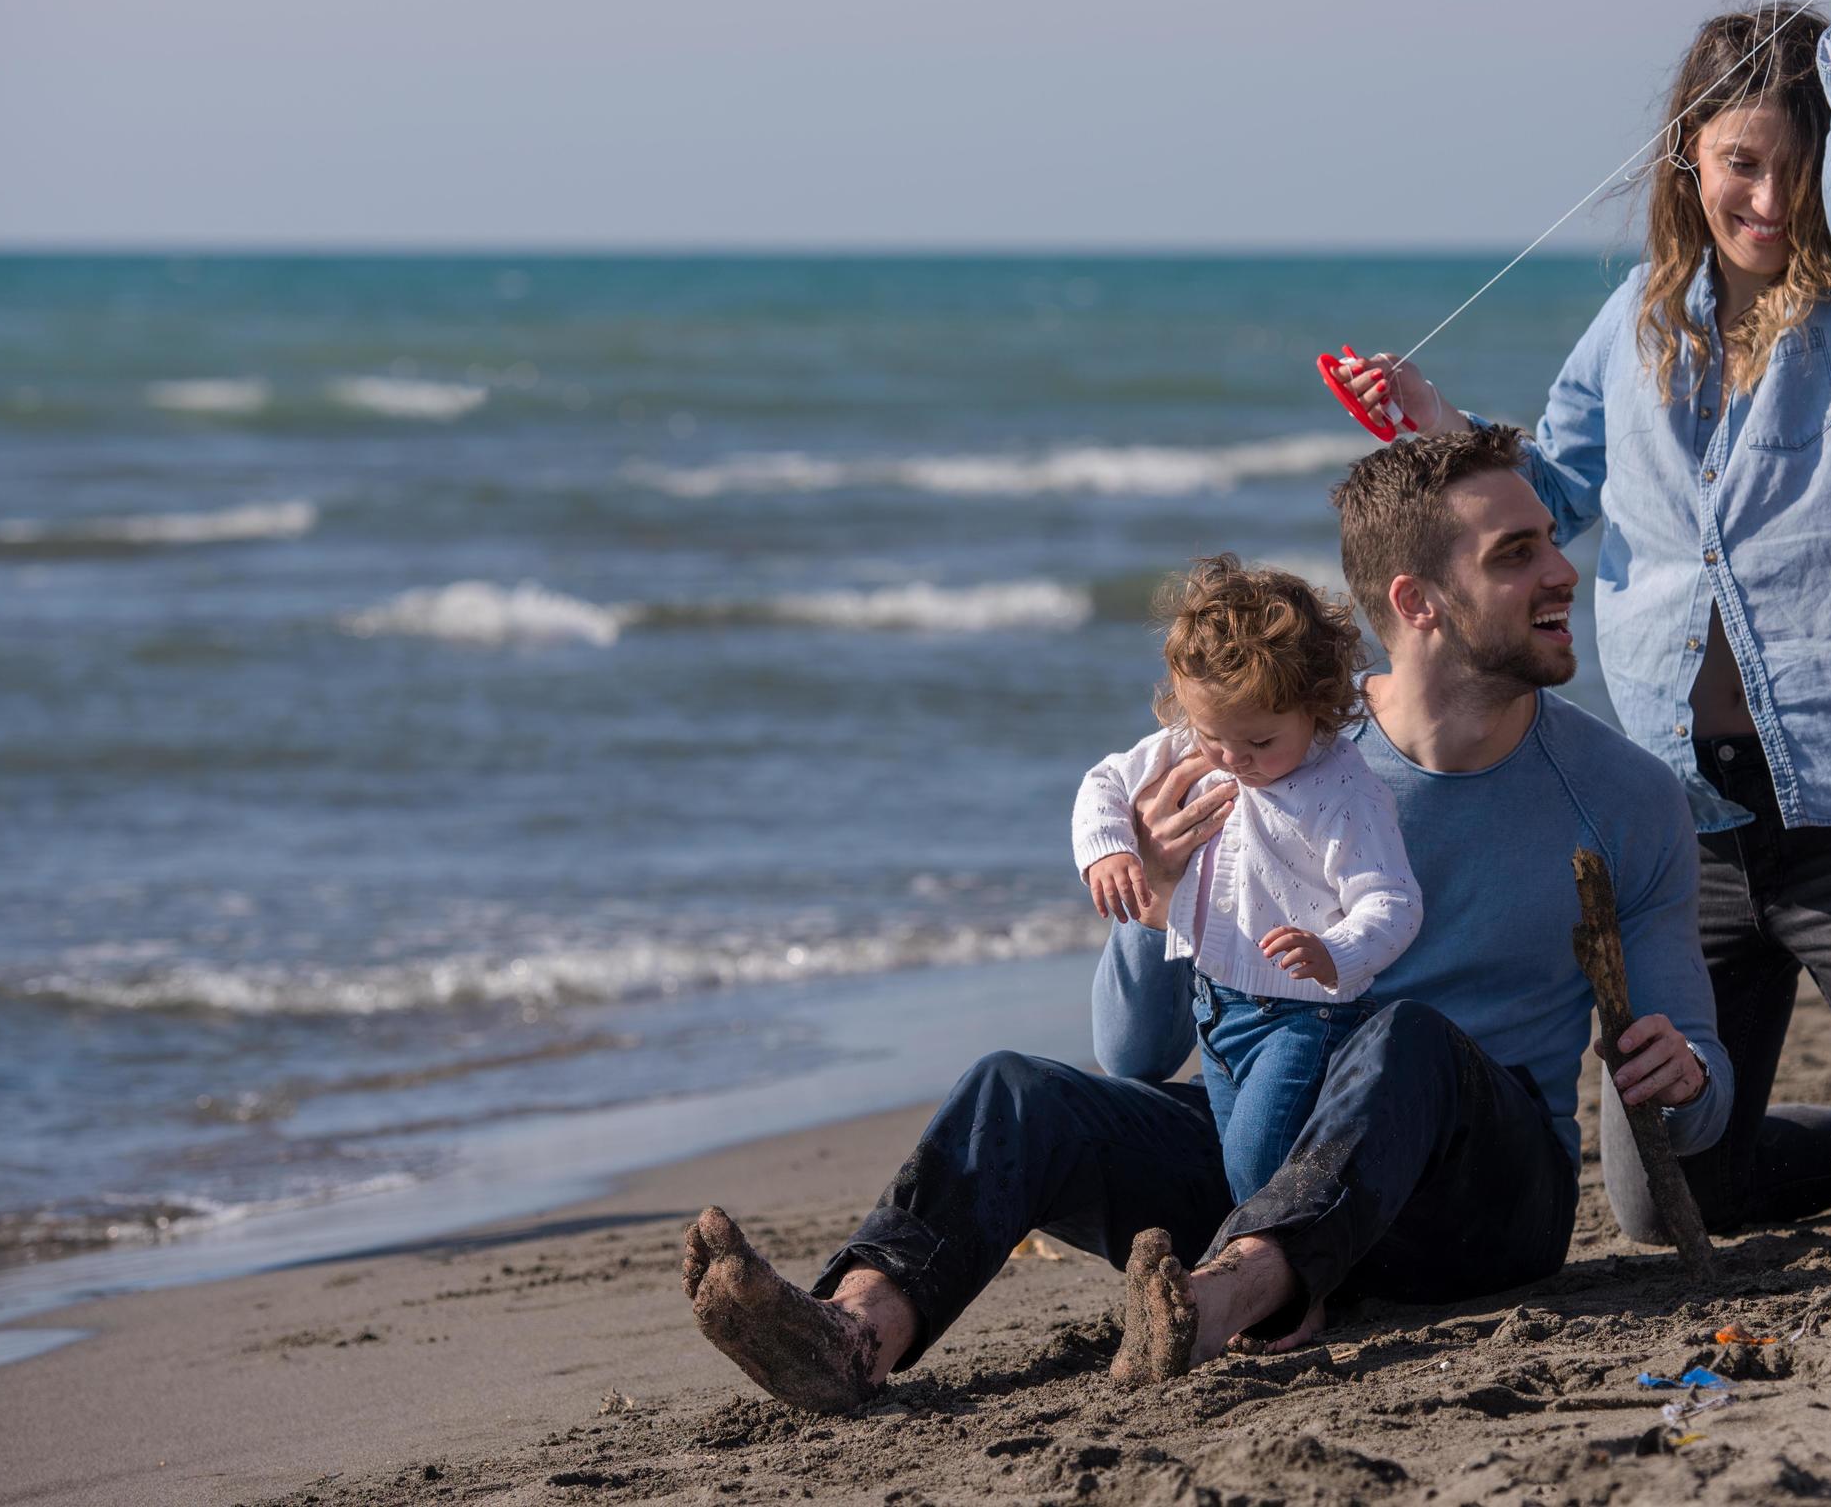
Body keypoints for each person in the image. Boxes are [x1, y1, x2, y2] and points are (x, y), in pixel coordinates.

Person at [683, 425, 1731, 1410]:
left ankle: (1224, 1299)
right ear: (1418, 600)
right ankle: (853, 1333)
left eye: (1551, 539)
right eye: (1518, 552)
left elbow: (1701, 1089)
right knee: (1016, 1092)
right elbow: (1136, 1050)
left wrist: (1682, 1074)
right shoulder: (1264, 749)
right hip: (1268, 1142)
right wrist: (1154, 888)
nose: (1563, 572)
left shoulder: (1623, 795)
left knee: (1401, 1034)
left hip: (1478, 1200)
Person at [1342, 0, 1831, 1239]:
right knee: (1666, 1201)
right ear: (1689, 159)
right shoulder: (1630, 324)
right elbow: (1552, 483)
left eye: (1796, 170)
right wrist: (1435, 422)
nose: (1771, 202)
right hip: (1691, 832)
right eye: (1741, 166)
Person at [1075, 554, 1420, 1205]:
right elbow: (1105, 781)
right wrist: (1109, 850)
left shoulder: (1342, 792)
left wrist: (1336, 951)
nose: (1233, 760)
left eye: (1259, 742)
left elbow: (1392, 902)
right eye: (1214, 737)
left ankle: (1296, 1289)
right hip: (1214, 1008)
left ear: (1317, 708)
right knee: (1239, 1164)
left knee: (1265, 1163)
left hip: (1302, 1018)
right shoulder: (1193, 745)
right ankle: (1277, 1276)